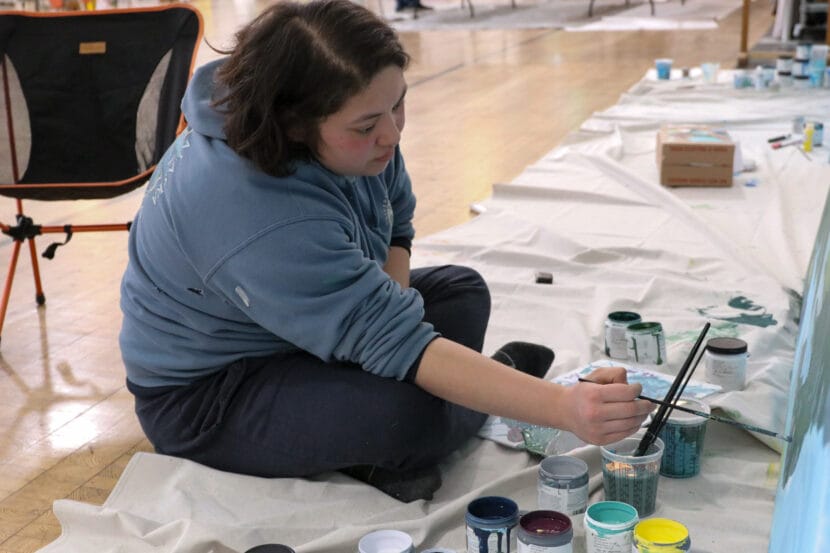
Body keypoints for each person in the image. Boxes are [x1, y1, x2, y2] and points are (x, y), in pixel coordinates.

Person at [119, 0, 652, 503]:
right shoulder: (252, 208)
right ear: (295, 124)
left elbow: (397, 220)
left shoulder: (352, 126)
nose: (392, 134)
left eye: (398, 104)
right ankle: (476, 391)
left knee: (462, 290)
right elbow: (396, 340)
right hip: (208, 396)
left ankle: (416, 418)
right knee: (405, 417)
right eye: (367, 126)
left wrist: (387, 334)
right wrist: (562, 408)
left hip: (285, 332)